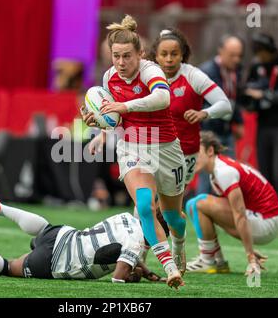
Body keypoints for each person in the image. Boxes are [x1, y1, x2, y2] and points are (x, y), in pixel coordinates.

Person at [82, 15, 186, 288]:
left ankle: (179, 243)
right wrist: (100, 129)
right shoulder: (109, 77)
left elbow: (163, 97)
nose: (121, 62)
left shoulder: (151, 71)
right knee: (144, 205)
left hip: (166, 148)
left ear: (140, 54)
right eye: (116, 56)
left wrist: (125, 107)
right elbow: (109, 113)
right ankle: (170, 267)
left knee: (174, 216)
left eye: (127, 56)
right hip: (134, 145)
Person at [0, 197, 166, 284]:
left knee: (43, 227)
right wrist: (131, 275)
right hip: (57, 262)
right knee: (9, 268)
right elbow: (117, 278)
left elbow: (117, 249)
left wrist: (143, 270)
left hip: (64, 234)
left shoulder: (126, 218)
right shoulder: (136, 243)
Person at [185, 131, 278, 275]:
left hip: (266, 221)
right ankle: (217, 262)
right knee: (196, 204)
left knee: (197, 203)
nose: (193, 157)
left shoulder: (223, 172)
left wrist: (250, 257)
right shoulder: (218, 171)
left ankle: (208, 260)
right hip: (263, 219)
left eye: (196, 152)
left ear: (210, 151)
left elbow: (240, 214)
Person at [148, 28, 232, 186]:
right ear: (156, 56)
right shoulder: (147, 75)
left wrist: (204, 113)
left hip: (185, 153)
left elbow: (225, 106)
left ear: (182, 55)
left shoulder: (193, 76)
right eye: (164, 54)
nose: (169, 59)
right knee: (146, 204)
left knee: (167, 206)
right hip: (153, 149)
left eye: (174, 54)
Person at [244, 33, 278, 232]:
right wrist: (250, 98)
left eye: (262, 52)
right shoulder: (257, 65)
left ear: (270, 50)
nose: (259, 57)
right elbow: (247, 89)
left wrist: (264, 95)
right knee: (265, 172)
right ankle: (268, 218)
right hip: (263, 125)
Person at [196, 35, 245, 195]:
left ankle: (223, 214)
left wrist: (238, 121)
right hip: (208, 132)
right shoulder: (207, 71)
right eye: (232, 55)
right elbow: (200, 103)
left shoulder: (236, 71)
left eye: (239, 55)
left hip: (226, 131)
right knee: (206, 176)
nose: (236, 59)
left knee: (230, 174)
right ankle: (200, 213)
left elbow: (234, 99)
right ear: (221, 51)